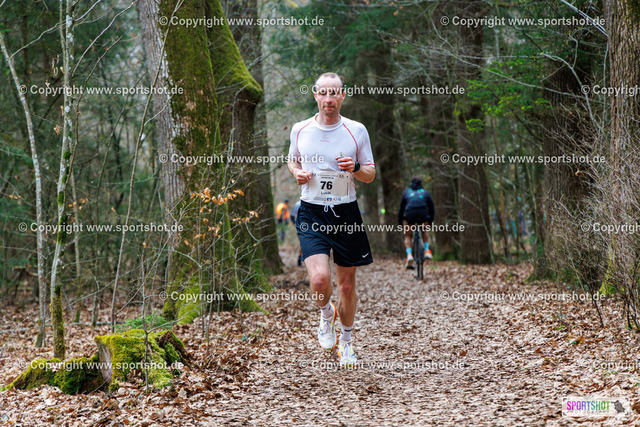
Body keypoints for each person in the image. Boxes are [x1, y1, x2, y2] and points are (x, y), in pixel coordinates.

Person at [287, 72, 375, 367]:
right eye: (323, 93)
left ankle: (346, 343)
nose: (328, 99)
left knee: (346, 286)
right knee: (319, 279)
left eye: (334, 93)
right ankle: (326, 315)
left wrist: (356, 168)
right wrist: (297, 173)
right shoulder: (300, 129)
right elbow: (292, 160)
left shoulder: (356, 130)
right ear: (315, 95)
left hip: (345, 212)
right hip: (311, 211)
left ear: (342, 96)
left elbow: (370, 174)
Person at [398, 176, 435, 268]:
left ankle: (409, 255)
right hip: (423, 214)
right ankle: (426, 250)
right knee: (424, 230)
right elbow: (432, 208)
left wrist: (400, 223)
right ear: (421, 184)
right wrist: (429, 221)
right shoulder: (425, 192)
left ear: (411, 184)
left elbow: (401, 209)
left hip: (409, 214)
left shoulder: (406, 192)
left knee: (408, 235)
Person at [290, 200, 303, 266]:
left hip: (300, 227)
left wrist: (294, 223)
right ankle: (300, 257)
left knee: (302, 243)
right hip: (302, 227)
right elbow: (292, 216)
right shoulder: (298, 204)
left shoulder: (297, 203)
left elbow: (292, 216)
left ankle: (300, 257)